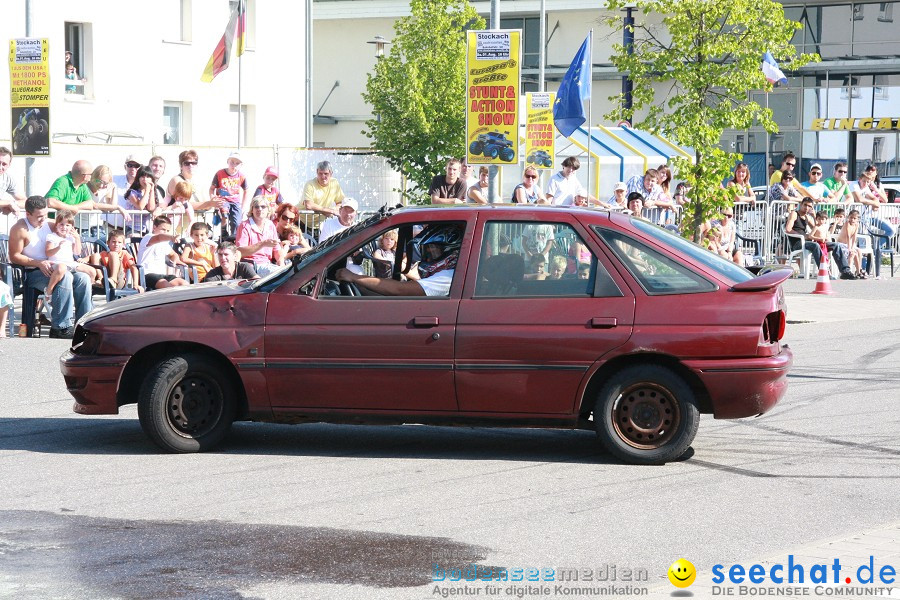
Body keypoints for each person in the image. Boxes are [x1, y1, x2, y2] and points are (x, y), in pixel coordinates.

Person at [8, 196, 93, 338]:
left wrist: (74, 236)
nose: (44, 219)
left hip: (57, 266)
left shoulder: (50, 224)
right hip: (33, 272)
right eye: (40, 217)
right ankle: (60, 327)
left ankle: (84, 325)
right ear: (27, 214)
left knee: (83, 278)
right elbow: (14, 256)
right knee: (65, 276)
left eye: (46, 215)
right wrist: (38, 263)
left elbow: (67, 230)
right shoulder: (20, 229)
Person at [335, 224, 462, 296]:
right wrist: (361, 285)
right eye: (427, 249)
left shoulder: (449, 277)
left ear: (451, 251)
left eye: (434, 250)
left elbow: (399, 289)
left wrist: (353, 277)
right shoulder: (445, 274)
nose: (429, 254)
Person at [44, 210, 102, 302]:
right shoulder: (52, 236)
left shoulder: (71, 237)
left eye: (67, 225)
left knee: (92, 271)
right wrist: (58, 247)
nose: (64, 227)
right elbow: (48, 253)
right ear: (56, 225)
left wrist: (77, 238)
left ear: (72, 227)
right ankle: (49, 291)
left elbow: (77, 252)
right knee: (61, 268)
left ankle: (87, 295)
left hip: (70, 263)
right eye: (61, 224)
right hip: (56, 263)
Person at [137, 216, 189, 289]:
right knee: (165, 285)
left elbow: (173, 254)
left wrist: (175, 259)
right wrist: (171, 237)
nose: (166, 232)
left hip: (162, 275)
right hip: (146, 274)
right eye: (163, 229)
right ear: (154, 227)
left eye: (168, 231)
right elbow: (159, 237)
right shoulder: (148, 237)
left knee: (184, 284)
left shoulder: (164, 243)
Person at [235, 197, 282, 276]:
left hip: (268, 264)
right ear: (252, 210)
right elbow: (240, 252)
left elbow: (277, 250)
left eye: (263, 207)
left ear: (268, 210)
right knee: (279, 274)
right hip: (250, 266)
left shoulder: (270, 225)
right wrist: (262, 244)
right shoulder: (245, 226)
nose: (259, 209)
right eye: (256, 206)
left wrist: (281, 261)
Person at [209, 151, 249, 238]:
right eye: (232, 162)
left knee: (237, 222)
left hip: (235, 202)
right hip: (223, 200)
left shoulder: (241, 176)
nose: (234, 164)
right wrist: (213, 198)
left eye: (237, 163)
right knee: (225, 216)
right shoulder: (219, 174)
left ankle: (234, 237)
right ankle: (223, 233)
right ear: (227, 162)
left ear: (241, 165)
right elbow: (212, 188)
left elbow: (246, 190)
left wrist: (243, 206)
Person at [784, 198, 828, 276]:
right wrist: (803, 236)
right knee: (816, 245)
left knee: (835, 245)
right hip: (797, 243)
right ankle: (823, 270)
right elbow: (788, 229)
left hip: (807, 241)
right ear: (801, 204)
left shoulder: (807, 217)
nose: (807, 207)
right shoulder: (794, 214)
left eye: (809, 206)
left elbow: (816, 229)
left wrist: (814, 217)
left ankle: (845, 271)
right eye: (805, 205)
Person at [302, 160, 345, 229]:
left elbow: (340, 202)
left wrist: (334, 209)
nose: (323, 176)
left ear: (331, 173)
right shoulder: (310, 184)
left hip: (320, 224)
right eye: (320, 173)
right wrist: (330, 211)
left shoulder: (334, 183)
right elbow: (309, 205)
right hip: (302, 222)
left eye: (326, 174)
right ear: (316, 172)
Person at [124, 166, 161, 235]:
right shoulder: (132, 192)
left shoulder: (152, 192)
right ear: (138, 178)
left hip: (146, 229)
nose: (145, 179)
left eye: (148, 177)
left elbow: (151, 208)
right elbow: (140, 207)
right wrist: (147, 191)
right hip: (132, 228)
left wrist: (152, 190)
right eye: (142, 177)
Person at [836, 209, 864, 278]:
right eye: (851, 217)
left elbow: (854, 236)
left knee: (858, 251)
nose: (852, 220)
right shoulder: (847, 224)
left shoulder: (856, 225)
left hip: (849, 244)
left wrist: (852, 246)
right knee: (852, 253)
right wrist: (849, 248)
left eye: (854, 218)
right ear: (848, 217)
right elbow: (848, 236)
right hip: (841, 244)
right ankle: (848, 271)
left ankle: (858, 270)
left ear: (857, 219)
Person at [0, 146, 26, 216]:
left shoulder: (7, 179)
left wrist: (13, 204)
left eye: (4, 164)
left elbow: (25, 201)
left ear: (9, 165)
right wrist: (8, 203)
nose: (0, 167)